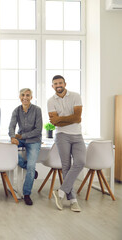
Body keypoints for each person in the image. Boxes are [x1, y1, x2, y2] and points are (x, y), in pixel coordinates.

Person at [48, 75, 85, 212]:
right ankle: (73, 200)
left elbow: (78, 118)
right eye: (55, 83)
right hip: (61, 135)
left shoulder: (75, 96)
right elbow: (54, 122)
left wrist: (60, 119)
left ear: (65, 83)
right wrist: (68, 119)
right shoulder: (51, 101)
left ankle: (61, 191)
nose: (58, 85)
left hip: (77, 135)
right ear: (52, 86)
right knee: (66, 166)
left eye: (60, 83)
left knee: (80, 162)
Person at [9, 88, 42, 206]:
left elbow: (38, 130)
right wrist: (13, 137)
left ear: (31, 97)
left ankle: (26, 194)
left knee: (32, 164)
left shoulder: (37, 110)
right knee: (8, 150)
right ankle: (30, 170)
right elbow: (11, 126)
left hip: (34, 140)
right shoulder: (16, 111)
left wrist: (22, 136)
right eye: (23, 95)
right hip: (20, 139)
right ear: (19, 97)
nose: (25, 97)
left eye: (28, 95)